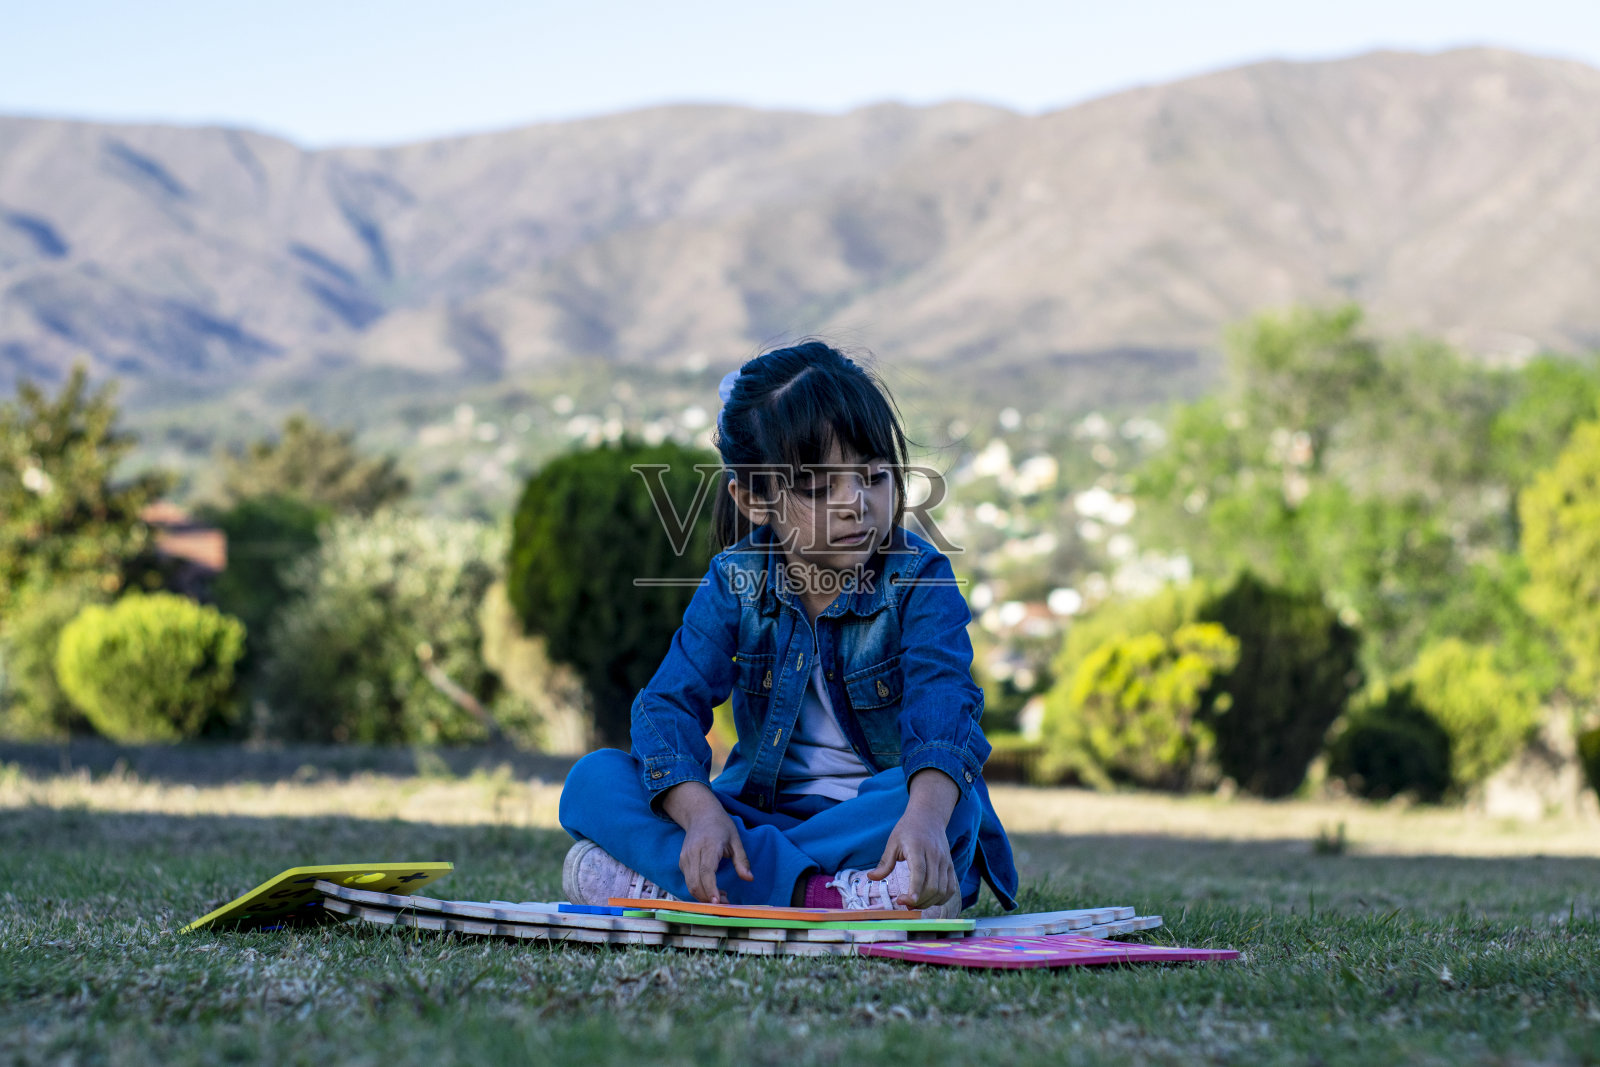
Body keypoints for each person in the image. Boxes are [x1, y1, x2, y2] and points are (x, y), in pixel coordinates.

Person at [558, 341, 1018, 916]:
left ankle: (689, 883)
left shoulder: (921, 577)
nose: (856, 502)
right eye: (820, 487)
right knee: (593, 780)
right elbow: (666, 707)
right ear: (753, 499)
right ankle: (830, 895)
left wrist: (923, 818)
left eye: (874, 475)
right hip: (758, 807)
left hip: (872, 815)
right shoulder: (735, 581)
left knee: (948, 800)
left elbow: (944, 704)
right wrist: (702, 815)